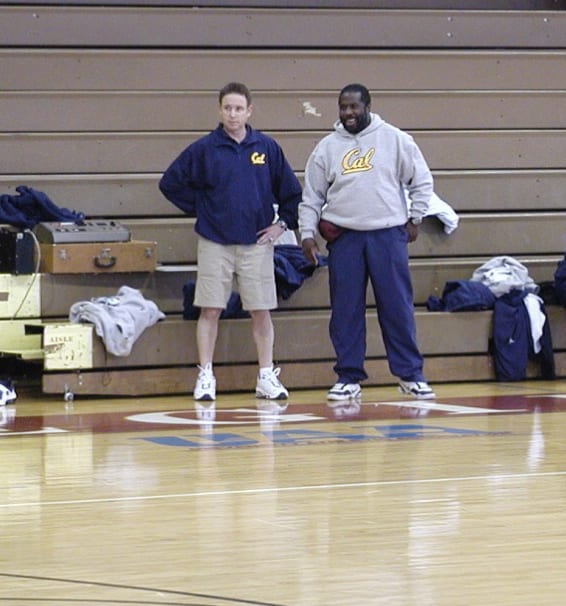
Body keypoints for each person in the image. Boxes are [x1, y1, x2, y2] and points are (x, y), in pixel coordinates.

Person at [159, 82, 301, 401]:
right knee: (210, 309)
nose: (233, 114)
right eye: (227, 108)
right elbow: (170, 183)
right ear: (219, 110)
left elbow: (292, 194)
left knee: (260, 310)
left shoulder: (266, 148)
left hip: (256, 245)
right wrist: (203, 210)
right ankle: (206, 375)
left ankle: (266, 375)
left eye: (239, 108)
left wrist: (280, 226)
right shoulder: (204, 149)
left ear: (249, 111)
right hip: (215, 243)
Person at [299, 83, 435, 401]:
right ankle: (348, 377)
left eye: (354, 107)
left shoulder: (396, 139)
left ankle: (410, 375)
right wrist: (307, 235)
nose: (348, 113)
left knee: (397, 307)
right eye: (343, 107)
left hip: (387, 236)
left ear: (368, 106)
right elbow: (312, 196)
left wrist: (415, 217)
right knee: (345, 311)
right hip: (345, 239)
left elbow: (422, 180)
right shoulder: (326, 148)